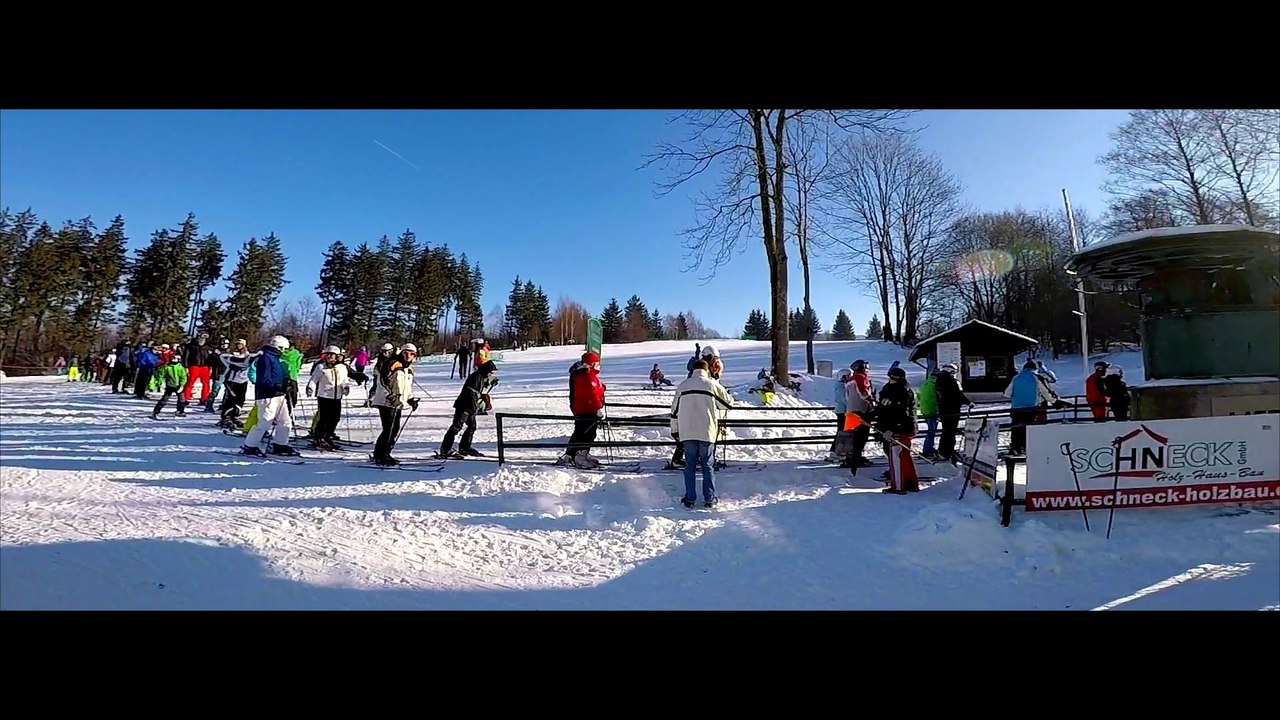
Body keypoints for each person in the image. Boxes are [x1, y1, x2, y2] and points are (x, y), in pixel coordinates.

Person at [670, 359, 735, 508]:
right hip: (707, 431)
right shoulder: (711, 385)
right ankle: (710, 498)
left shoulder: (683, 386)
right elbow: (728, 404)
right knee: (707, 466)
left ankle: (690, 498)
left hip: (687, 432)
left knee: (690, 466)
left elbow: (674, 411)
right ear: (707, 370)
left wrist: (675, 430)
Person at [241, 336, 298, 457]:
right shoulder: (266, 357)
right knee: (264, 422)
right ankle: (250, 446)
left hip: (278, 395)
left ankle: (280, 444)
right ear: (279, 347)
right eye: (284, 349)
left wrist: (286, 382)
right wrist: (278, 386)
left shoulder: (275, 358)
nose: (284, 351)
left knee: (285, 421)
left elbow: (276, 375)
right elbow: (264, 379)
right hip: (267, 395)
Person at [370, 343, 420, 465]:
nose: (408, 356)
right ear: (401, 353)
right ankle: (381, 455)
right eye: (406, 353)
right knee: (389, 429)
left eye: (412, 354)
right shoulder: (392, 363)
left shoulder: (409, 369)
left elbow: (406, 388)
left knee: (394, 429)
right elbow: (382, 381)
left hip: (397, 402)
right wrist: (390, 396)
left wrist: (411, 399)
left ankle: (384, 453)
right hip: (386, 401)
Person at [438, 357, 497, 460]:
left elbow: (483, 391)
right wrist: (474, 407)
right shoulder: (476, 377)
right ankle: (445, 450)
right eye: (490, 372)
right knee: (456, 427)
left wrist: (491, 383)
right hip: (464, 405)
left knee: (472, 426)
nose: (491, 374)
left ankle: (465, 447)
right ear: (486, 370)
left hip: (471, 406)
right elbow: (471, 392)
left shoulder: (481, 377)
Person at [874, 365, 919, 494]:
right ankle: (910, 483)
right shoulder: (892, 389)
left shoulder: (901, 392)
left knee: (896, 457)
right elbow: (885, 409)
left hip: (900, 429)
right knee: (904, 457)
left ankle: (898, 486)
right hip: (902, 427)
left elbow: (901, 413)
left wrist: (892, 429)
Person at [559, 351, 606, 469]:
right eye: (596, 363)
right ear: (591, 364)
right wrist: (598, 407)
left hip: (585, 407)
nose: (598, 366)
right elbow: (591, 392)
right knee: (585, 433)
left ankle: (575, 454)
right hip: (587, 408)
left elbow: (595, 389)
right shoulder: (585, 375)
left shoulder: (586, 374)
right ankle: (579, 455)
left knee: (585, 432)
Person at [305, 345, 352, 451]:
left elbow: (344, 380)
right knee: (324, 418)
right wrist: (310, 388)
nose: (330, 357)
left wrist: (345, 387)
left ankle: (328, 436)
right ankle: (319, 437)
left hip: (337, 396)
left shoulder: (342, 368)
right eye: (328, 354)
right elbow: (314, 379)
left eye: (333, 355)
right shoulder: (321, 367)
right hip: (324, 396)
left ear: (337, 356)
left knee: (335, 418)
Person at [1004, 361, 1054, 455]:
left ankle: (1015, 447)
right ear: (1035, 369)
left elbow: (1007, 393)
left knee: (1016, 428)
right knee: (1028, 428)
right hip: (1031, 408)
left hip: (1016, 408)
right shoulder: (1037, 378)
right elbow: (1046, 393)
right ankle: (1027, 447)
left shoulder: (1016, 378)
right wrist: (1055, 401)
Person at [934, 363, 973, 463]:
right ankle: (947, 451)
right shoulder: (951, 381)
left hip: (943, 409)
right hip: (952, 409)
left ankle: (943, 450)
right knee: (951, 431)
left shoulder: (939, 380)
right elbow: (958, 394)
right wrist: (968, 402)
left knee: (946, 430)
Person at [845, 359, 876, 470]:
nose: (867, 370)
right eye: (866, 367)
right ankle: (857, 457)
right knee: (861, 436)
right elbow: (863, 392)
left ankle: (850, 457)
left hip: (851, 410)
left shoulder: (849, 380)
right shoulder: (860, 377)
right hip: (860, 410)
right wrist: (871, 400)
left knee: (852, 436)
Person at [218, 339, 254, 429]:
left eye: (241, 344)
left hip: (243, 380)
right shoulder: (232, 354)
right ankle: (226, 417)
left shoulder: (248, 354)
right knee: (230, 399)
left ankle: (234, 416)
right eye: (237, 344)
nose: (239, 346)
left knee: (240, 400)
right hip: (231, 380)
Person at [182, 332, 215, 411]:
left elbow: (211, 357)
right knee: (190, 382)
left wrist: (211, 365)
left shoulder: (207, 347)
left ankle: (204, 399)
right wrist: (186, 366)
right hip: (194, 366)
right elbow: (186, 356)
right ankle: (185, 398)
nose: (202, 339)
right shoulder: (191, 346)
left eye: (204, 338)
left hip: (205, 367)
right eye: (201, 337)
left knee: (206, 383)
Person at [150, 353, 188, 419]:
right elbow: (161, 375)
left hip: (178, 386)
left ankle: (180, 411)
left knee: (181, 399)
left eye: (174, 358)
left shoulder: (181, 368)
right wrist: (159, 382)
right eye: (172, 358)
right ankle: (156, 411)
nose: (173, 359)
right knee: (165, 399)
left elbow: (183, 377)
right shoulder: (167, 367)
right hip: (170, 385)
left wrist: (182, 385)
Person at [827, 368, 852, 464]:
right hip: (842, 411)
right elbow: (844, 399)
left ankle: (837, 451)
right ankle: (835, 451)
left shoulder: (841, 385)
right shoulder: (840, 386)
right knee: (841, 431)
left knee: (841, 431)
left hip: (841, 410)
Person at [917, 368, 939, 459]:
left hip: (925, 410)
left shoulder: (925, 383)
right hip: (932, 410)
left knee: (931, 430)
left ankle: (928, 448)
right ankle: (927, 450)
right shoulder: (935, 385)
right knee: (931, 431)